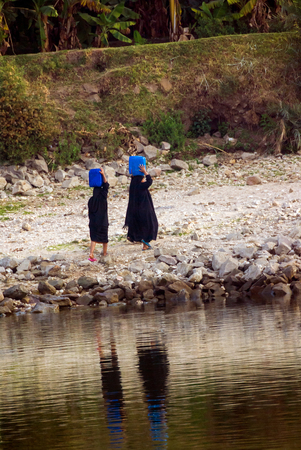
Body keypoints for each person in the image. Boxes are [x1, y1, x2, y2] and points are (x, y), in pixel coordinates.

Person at [124, 164, 158, 251]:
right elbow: (150, 181)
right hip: (145, 210)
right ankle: (146, 243)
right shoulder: (142, 187)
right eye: (142, 178)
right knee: (151, 225)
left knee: (142, 227)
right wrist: (145, 172)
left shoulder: (133, 187)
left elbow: (135, 180)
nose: (144, 179)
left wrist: (134, 174)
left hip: (136, 211)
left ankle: (145, 245)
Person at [88, 168, 109, 261]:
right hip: (103, 220)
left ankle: (91, 254)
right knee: (104, 238)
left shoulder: (91, 200)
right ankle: (104, 253)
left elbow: (90, 213)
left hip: (93, 222)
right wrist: (103, 175)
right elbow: (106, 185)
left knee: (94, 238)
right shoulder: (103, 197)